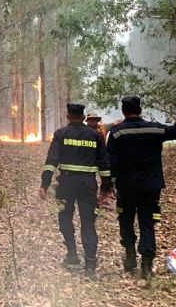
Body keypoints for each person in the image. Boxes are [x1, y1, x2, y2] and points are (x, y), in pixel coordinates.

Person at [107, 96, 176, 279]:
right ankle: (146, 265)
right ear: (140, 109)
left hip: (126, 186)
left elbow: (112, 160)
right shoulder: (154, 128)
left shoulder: (118, 132)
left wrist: (110, 184)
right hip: (150, 187)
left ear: (123, 111)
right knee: (147, 223)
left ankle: (129, 258)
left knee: (126, 220)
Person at [39, 103, 112, 279]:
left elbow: (51, 161)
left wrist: (45, 183)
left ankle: (72, 254)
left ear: (68, 116)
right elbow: (104, 164)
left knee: (65, 218)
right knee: (88, 223)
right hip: (88, 186)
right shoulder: (95, 135)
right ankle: (90, 267)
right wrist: (105, 188)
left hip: (66, 184)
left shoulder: (61, 134)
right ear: (83, 116)